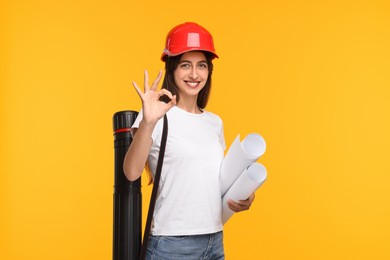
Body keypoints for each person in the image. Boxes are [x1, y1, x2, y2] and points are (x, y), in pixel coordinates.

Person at [123, 22, 255, 260]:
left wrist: (245, 194)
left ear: (209, 71)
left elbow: (213, 182)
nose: (194, 74)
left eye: (201, 66)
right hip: (172, 245)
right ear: (172, 69)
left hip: (214, 240)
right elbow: (131, 172)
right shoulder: (155, 115)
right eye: (186, 65)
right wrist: (148, 122)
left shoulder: (215, 122)